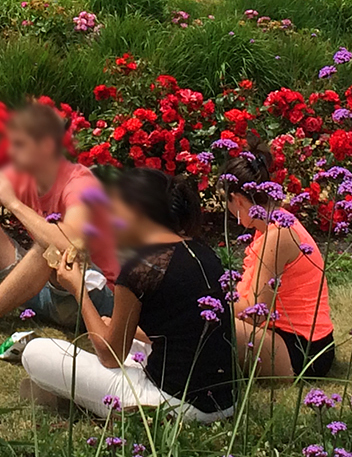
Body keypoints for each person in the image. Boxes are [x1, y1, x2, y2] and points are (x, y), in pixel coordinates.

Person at [21, 169, 238, 422]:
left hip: (171, 404)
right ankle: (71, 396)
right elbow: (182, 329)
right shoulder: (202, 251)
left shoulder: (143, 266)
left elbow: (110, 356)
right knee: (131, 343)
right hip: (224, 403)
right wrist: (117, 328)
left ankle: (78, 400)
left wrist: (79, 289)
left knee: (35, 351)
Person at [0, 101, 118, 343]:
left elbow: (70, 246)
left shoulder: (79, 183)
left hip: (88, 297)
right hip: (42, 290)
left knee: (50, 244)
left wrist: (14, 204)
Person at [222, 148, 334, 380]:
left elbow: (256, 313)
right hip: (285, 337)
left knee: (204, 321)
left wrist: (211, 302)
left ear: (237, 200)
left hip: (300, 350)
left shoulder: (277, 235)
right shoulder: (270, 225)